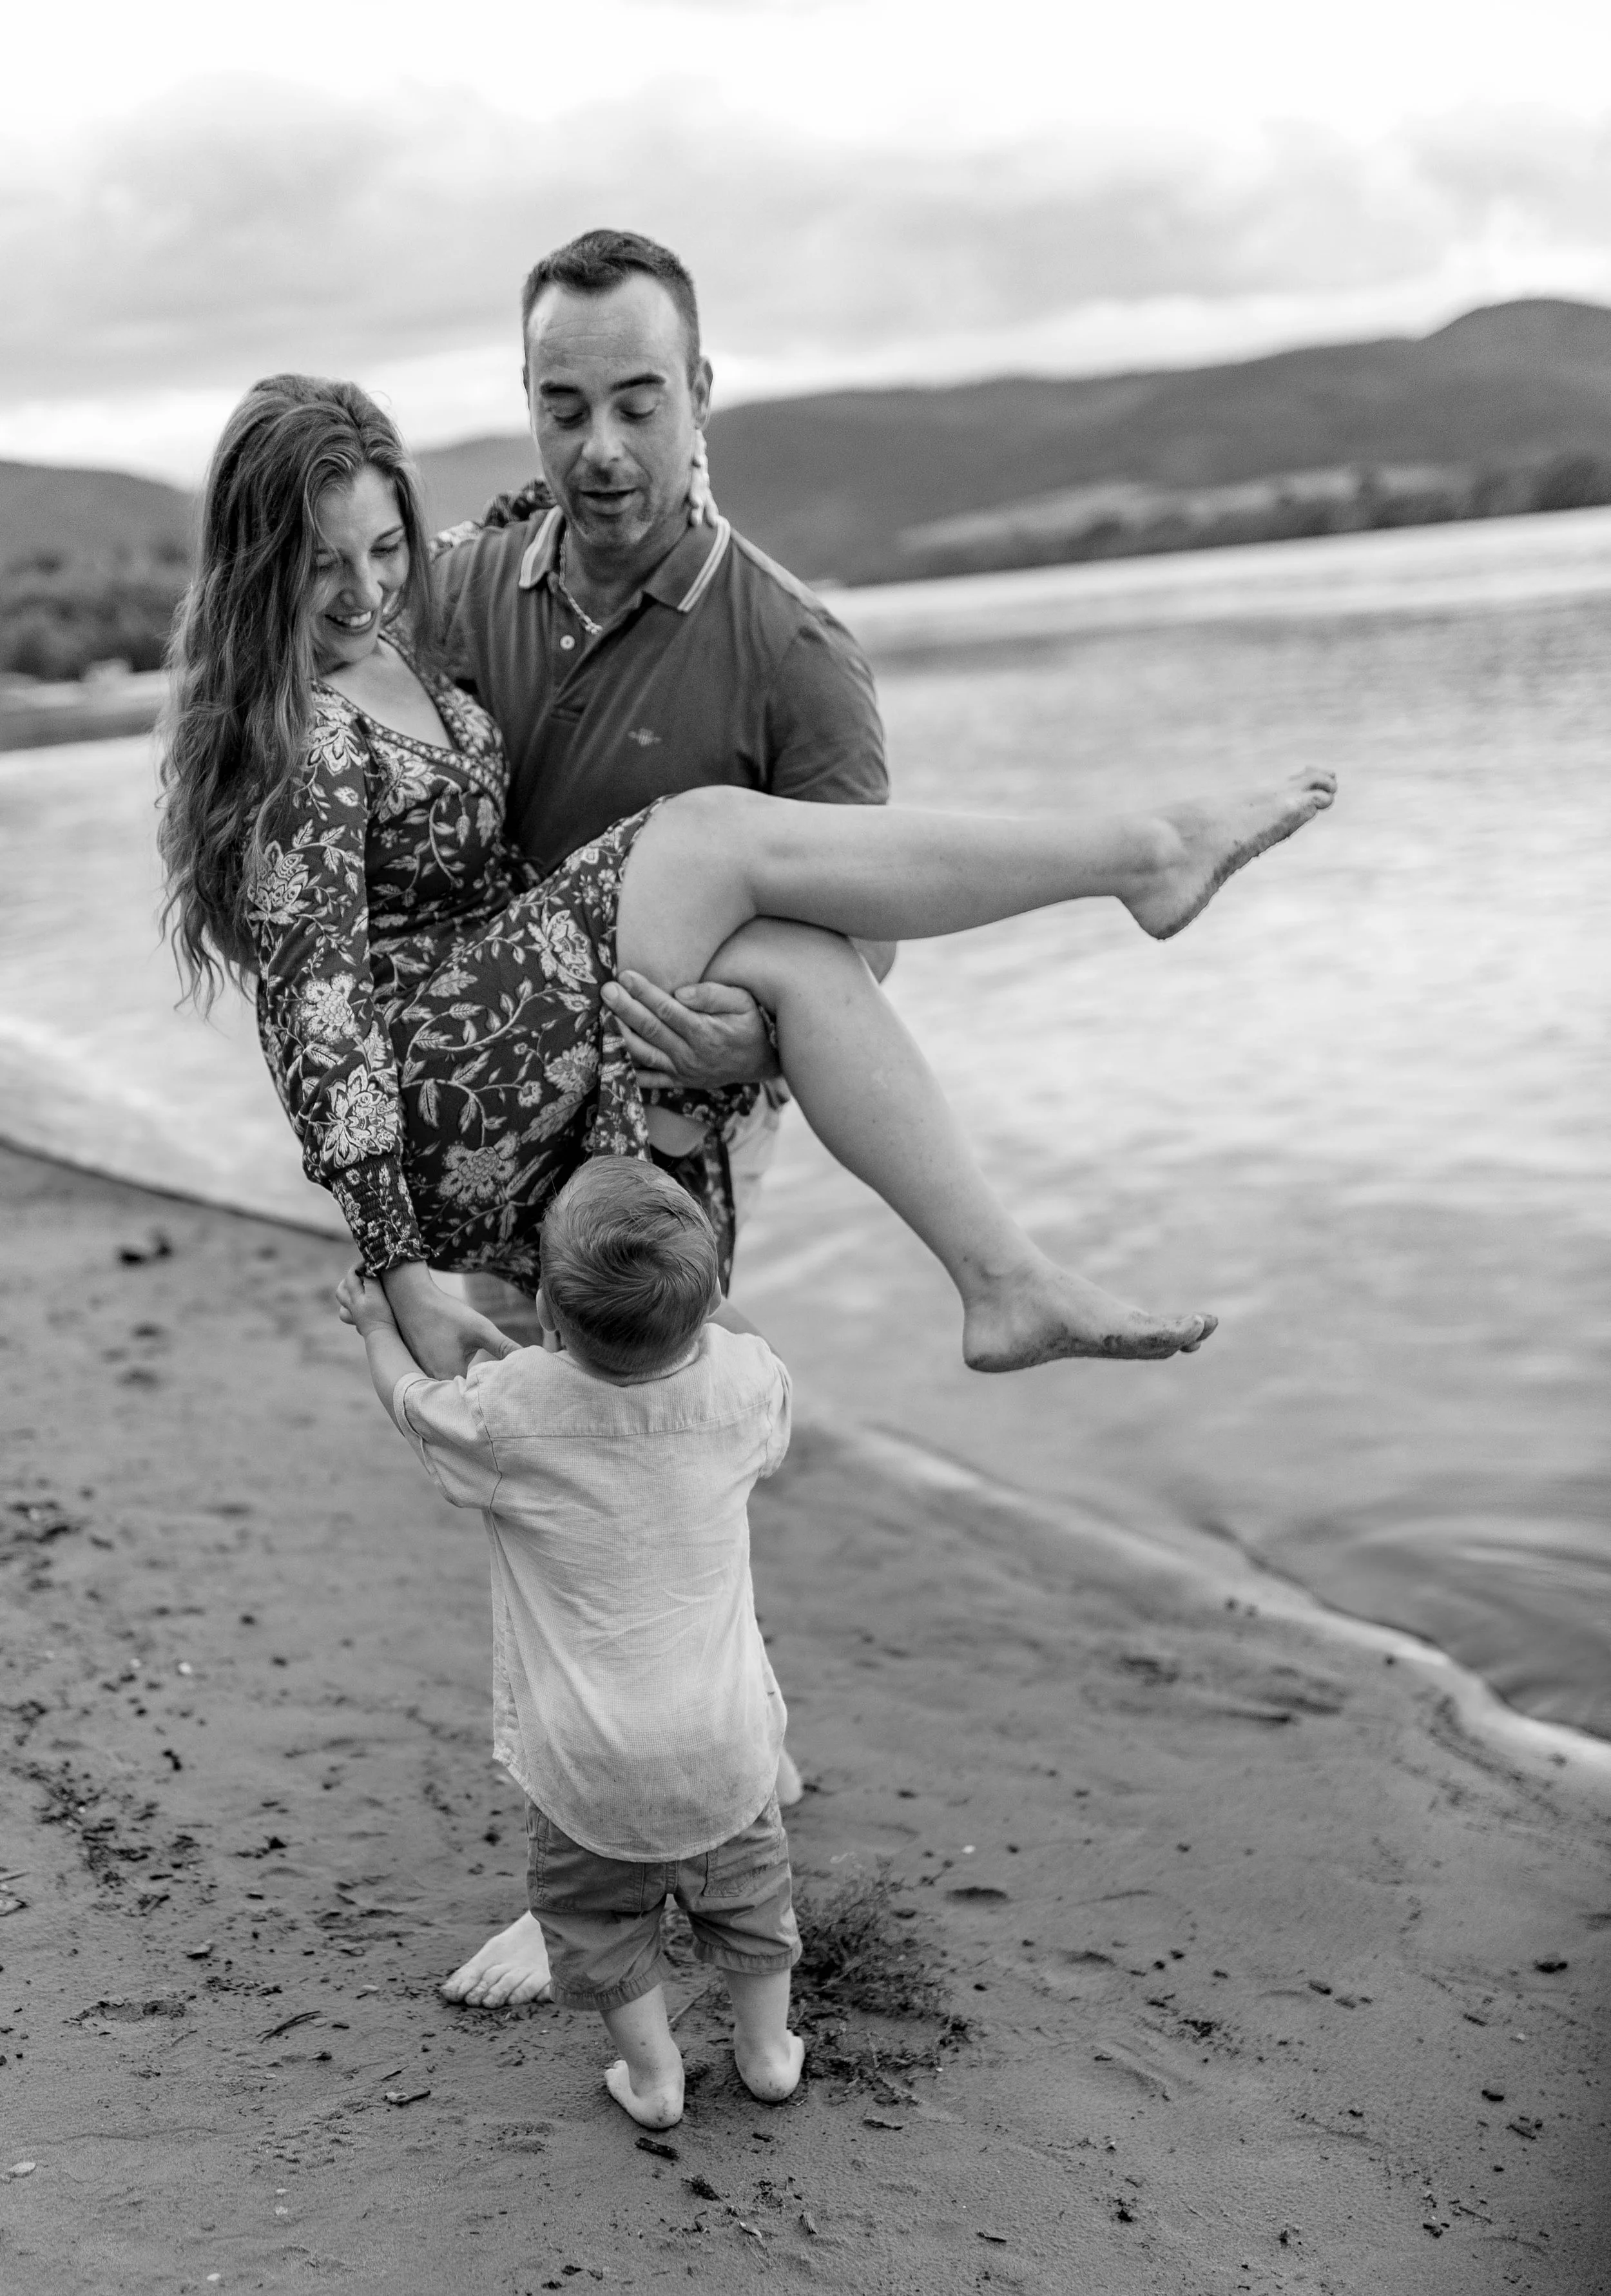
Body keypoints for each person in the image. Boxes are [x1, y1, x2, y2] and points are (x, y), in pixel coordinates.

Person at [157, 370, 1334, 2018]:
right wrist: (391, 1251)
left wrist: (502, 533)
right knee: (706, 836)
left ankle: (1001, 1279)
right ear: (254, 570)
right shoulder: (292, 735)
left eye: (381, 551)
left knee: (784, 954)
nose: (360, 593)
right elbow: (318, 1014)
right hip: (433, 1087)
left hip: (510, 1036)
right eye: (322, 569)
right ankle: (1139, 855)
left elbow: (507, 554)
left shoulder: (414, 635)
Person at [432, 227, 896, 1299]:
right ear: (528, 401)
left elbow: (867, 942)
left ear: (700, 392)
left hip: (684, 1111)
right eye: (565, 409)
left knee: (643, 1405)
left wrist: (761, 1039)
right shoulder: (455, 593)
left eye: (639, 406)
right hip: (498, 1096)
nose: (601, 448)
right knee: (510, 1405)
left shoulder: (796, 652)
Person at [336, 1157, 804, 2128]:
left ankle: (654, 2077)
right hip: (729, 1750)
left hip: (588, 1768)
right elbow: (749, 1349)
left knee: (599, 1923)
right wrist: (711, 1298)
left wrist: (381, 1327)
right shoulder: (744, 1388)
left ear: (545, 1311)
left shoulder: (513, 1415)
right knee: (752, 1904)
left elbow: (412, 1405)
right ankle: (766, 2055)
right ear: (712, 1295)